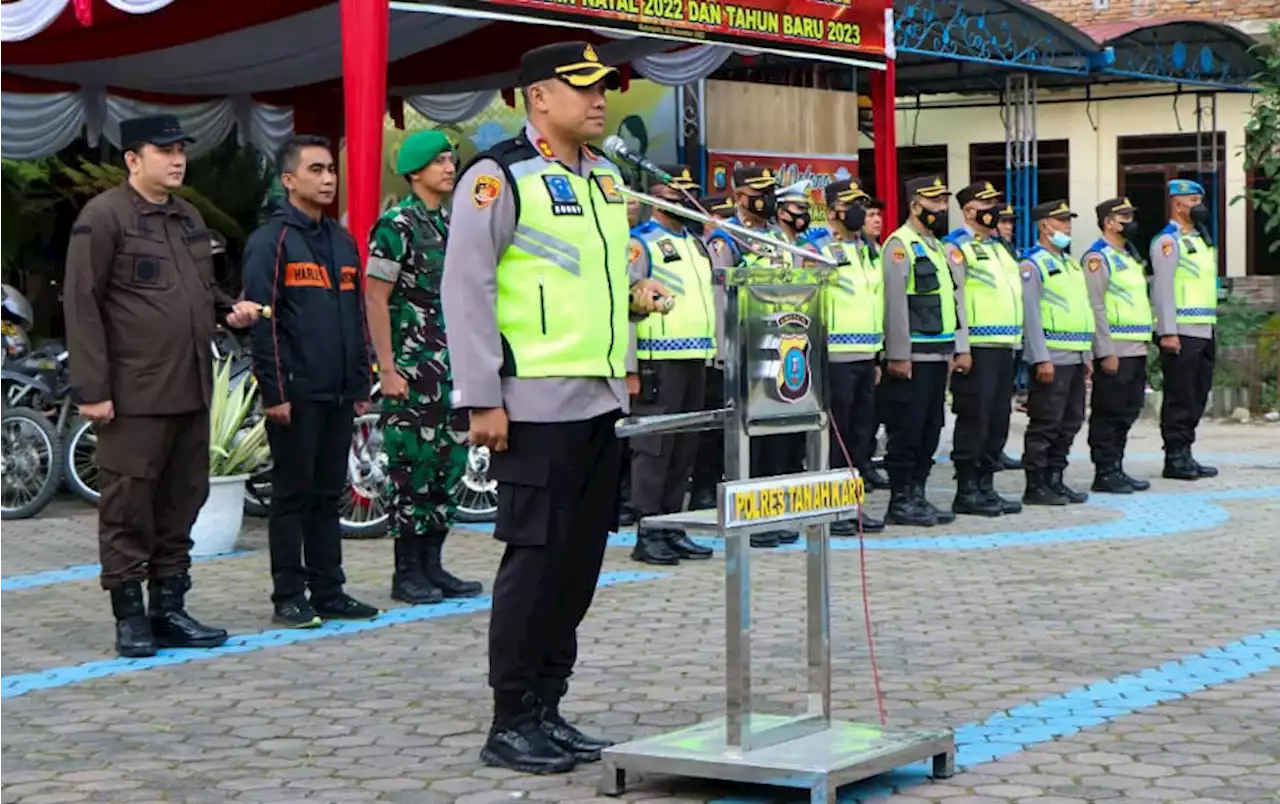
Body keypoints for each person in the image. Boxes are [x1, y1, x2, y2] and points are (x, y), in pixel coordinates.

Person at [441, 41, 671, 775]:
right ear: (539, 97)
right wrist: (481, 396)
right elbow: (466, 288)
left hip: (596, 402)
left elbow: (593, 285)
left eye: (605, 87)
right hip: (531, 403)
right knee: (535, 564)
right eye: (584, 88)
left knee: (579, 565)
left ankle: (548, 705)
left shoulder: (604, 179)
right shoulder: (497, 177)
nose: (600, 99)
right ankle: (510, 719)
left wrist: (633, 321)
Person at [64, 114, 262, 658]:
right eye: (164, 150)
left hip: (191, 387)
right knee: (128, 504)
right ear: (133, 159)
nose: (177, 159)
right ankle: (130, 617)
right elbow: (81, 305)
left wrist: (229, 313)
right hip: (133, 394)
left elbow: (202, 290)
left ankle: (169, 608)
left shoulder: (188, 217)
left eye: (180, 150)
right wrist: (92, 390)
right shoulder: (104, 218)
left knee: (181, 503)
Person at [242, 135, 378, 628]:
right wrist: (274, 392)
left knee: (327, 494)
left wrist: (361, 383)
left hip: (339, 391)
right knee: (292, 496)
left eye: (331, 171)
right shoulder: (270, 240)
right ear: (288, 180)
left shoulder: (341, 241)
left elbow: (357, 316)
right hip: (296, 395)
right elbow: (262, 319)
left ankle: (329, 590)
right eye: (316, 170)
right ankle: (288, 595)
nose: (327, 179)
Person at [364, 130, 483, 605]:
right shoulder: (397, 225)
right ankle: (406, 572)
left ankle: (433, 564)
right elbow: (376, 298)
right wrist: (387, 368)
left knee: (447, 467)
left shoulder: (454, 226)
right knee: (411, 467)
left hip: (452, 369)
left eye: (451, 160)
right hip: (413, 369)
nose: (449, 168)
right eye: (437, 162)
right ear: (414, 171)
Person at [702, 166, 799, 548]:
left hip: (785, 346)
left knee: (776, 437)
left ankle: (770, 511)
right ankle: (751, 517)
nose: (768, 198)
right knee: (750, 438)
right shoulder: (727, 238)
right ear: (741, 197)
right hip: (746, 349)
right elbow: (721, 294)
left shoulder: (777, 235)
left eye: (771, 191)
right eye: (760, 191)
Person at [627, 166, 717, 565]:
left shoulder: (695, 243)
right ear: (659, 198)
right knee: (655, 449)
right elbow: (628, 303)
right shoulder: (641, 243)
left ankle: (673, 524)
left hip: (695, 355)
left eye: (691, 193)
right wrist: (629, 367)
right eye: (678, 194)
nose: (687, 201)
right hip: (658, 359)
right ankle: (648, 531)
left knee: (684, 447)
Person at [879, 176, 968, 526]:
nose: (942, 208)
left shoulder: (937, 246)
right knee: (907, 428)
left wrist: (958, 348)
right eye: (934, 202)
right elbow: (895, 304)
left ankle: (918, 492)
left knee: (931, 428)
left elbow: (953, 302)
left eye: (944, 202)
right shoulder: (899, 245)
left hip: (938, 353)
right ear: (916, 205)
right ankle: (901, 498)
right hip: (913, 355)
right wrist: (898, 354)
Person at [799, 179, 884, 534]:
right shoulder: (815, 248)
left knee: (861, 438)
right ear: (833, 210)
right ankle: (829, 508)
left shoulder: (868, 249)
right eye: (852, 204)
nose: (860, 212)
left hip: (866, 356)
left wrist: (877, 354)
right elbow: (805, 302)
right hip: (833, 357)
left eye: (861, 205)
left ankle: (851, 505)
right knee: (835, 437)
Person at [943, 182, 1023, 517]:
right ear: (968, 210)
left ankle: (987, 485)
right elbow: (955, 298)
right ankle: (967, 488)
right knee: (974, 417)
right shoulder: (956, 247)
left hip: (1006, 345)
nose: (992, 208)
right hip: (977, 347)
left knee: (998, 419)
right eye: (984, 202)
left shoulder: (999, 246)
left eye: (994, 202)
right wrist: (961, 347)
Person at [1019, 200, 1099, 506]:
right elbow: (1031, 315)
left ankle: (1055, 477)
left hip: (1076, 354)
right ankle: (1036, 483)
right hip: (1052, 355)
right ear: (1044, 226)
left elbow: (1083, 310)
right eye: (1062, 221)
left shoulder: (1070, 264)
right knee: (1046, 421)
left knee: (1072, 419)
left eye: (1068, 221)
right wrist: (1041, 357)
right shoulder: (1032, 264)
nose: (1067, 226)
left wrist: (1088, 353)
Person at [1081, 197, 1154, 494]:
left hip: (1135, 346)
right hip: (1115, 349)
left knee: (1129, 409)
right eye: (1124, 216)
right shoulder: (1098, 258)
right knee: (1109, 411)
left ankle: (1118, 467)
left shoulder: (1129, 256)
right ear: (1108, 221)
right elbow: (1095, 306)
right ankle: (1105, 471)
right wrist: (1104, 350)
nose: (1130, 221)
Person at [1151, 179, 1219, 480]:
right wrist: (1167, 331)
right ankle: (1174, 456)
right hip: (1181, 330)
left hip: (1205, 328)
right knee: (1179, 396)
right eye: (1194, 201)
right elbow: (1163, 289)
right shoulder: (1168, 241)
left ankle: (1187, 451)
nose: (1199, 207)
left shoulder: (1200, 240)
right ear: (1178, 203)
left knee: (1197, 394)